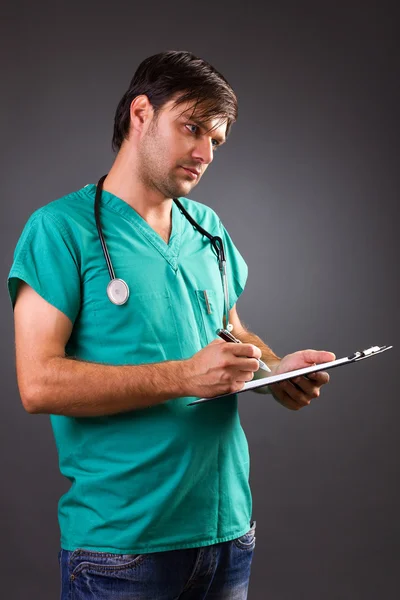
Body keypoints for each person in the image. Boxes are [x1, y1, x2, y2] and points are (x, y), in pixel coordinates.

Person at [8, 50, 334, 599]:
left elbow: (229, 330)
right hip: (122, 550)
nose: (205, 152)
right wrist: (183, 377)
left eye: (217, 141)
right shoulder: (58, 231)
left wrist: (274, 371)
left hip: (227, 535)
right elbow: (37, 384)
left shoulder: (205, 226)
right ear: (141, 114)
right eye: (192, 127)